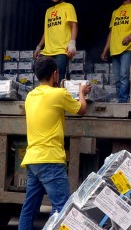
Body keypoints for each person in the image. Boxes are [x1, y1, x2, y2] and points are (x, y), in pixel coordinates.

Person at [18, 57, 91, 230]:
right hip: (50, 159)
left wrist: (59, 87)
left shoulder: (30, 96)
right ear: (55, 74)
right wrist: (81, 92)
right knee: (62, 208)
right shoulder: (59, 94)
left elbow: (50, 100)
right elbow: (81, 109)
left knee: (29, 209)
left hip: (32, 160)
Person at [34, 0, 78, 85]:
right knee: (40, 72)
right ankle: (46, 97)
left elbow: (74, 25)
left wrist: (72, 43)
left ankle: (56, 99)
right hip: (47, 51)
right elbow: (47, 31)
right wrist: (39, 46)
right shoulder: (48, 11)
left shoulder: (68, 6)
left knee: (58, 75)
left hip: (62, 50)